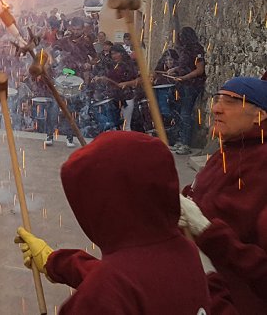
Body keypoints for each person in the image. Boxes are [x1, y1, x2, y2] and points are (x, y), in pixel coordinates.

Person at [14, 131, 210, 314]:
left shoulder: (102, 295)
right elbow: (132, 279)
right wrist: (53, 262)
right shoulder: (185, 250)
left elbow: (114, 286)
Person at [181, 77, 267, 314]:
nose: (216, 108)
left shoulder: (262, 162)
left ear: (259, 115)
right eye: (217, 99)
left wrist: (206, 230)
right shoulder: (228, 150)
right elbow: (205, 195)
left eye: (230, 102)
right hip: (203, 288)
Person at [170, 26, 207, 155]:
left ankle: (186, 143)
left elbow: (199, 69)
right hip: (183, 85)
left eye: (182, 37)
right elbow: (184, 65)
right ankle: (180, 140)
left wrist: (184, 77)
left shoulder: (197, 50)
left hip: (192, 85)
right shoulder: (184, 50)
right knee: (180, 113)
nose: (180, 39)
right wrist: (174, 70)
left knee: (186, 113)